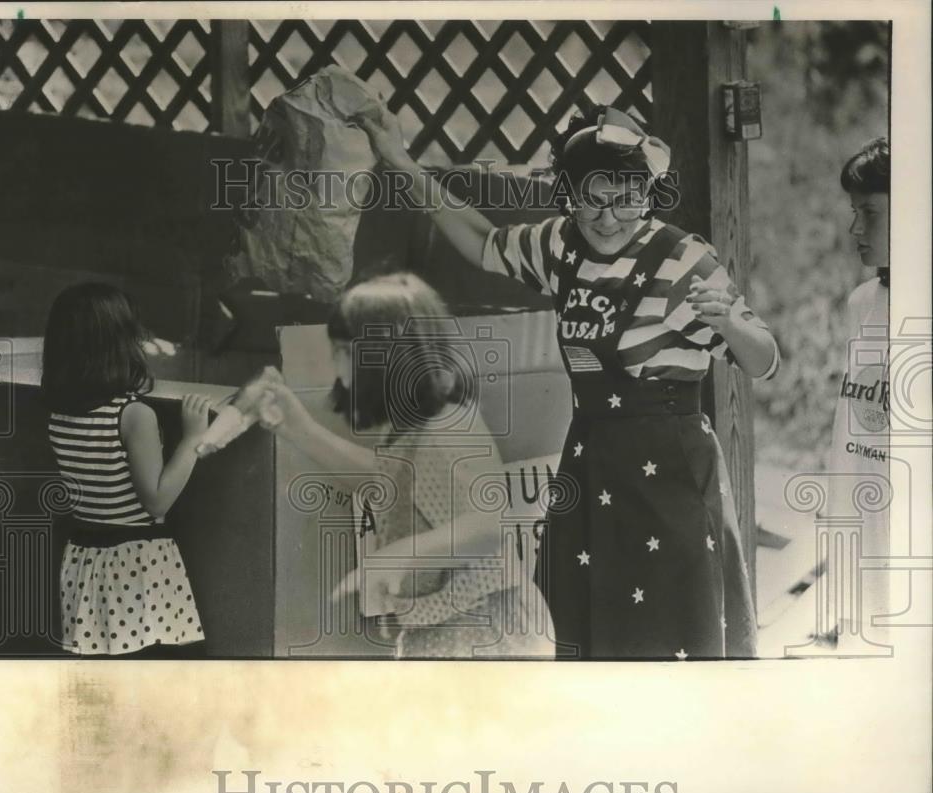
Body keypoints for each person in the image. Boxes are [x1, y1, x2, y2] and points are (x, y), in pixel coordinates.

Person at [354, 102, 780, 659]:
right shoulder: (561, 246)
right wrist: (398, 159)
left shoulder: (684, 260)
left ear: (647, 193)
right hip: (590, 467)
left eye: (626, 199)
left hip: (669, 481)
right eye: (591, 200)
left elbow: (764, 359)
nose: (607, 218)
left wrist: (727, 321)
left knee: (670, 640)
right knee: (586, 639)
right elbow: (483, 241)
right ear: (569, 195)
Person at [258, 272, 555, 659]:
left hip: (483, 632)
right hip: (445, 629)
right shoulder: (408, 427)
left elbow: (488, 525)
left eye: (349, 350)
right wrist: (299, 429)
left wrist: (394, 557)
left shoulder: (448, 422)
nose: (338, 363)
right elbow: (389, 481)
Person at [42, 283, 211, 656]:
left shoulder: (61, 412)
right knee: (148, 670)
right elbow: (157, 503)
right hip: (136, 563)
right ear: (120, 343)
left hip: (85, 558)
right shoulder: (133, 415)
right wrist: (193, 438)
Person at [819, 137, 891, 644]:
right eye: (853, 211)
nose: (855, 228)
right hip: (862, 525)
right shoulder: (862, 304)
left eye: (870, 212)